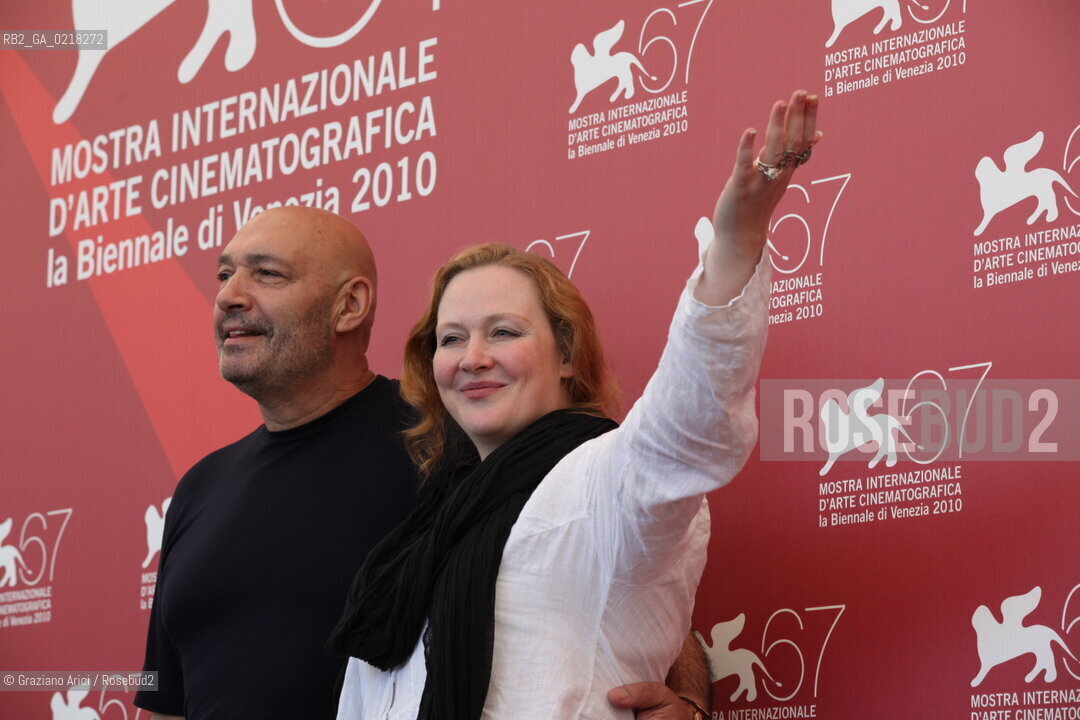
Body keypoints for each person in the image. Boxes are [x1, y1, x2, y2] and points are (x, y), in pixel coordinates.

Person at [329, 90, 821, 719]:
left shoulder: (607, 480)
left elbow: (689, 423)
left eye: (504, 332)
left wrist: (735, 245)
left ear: (566, 355)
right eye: (451, 339)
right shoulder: (422, 531)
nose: (472, 357)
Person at [134, 206, 710, 720]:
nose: (230, 294)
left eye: (266, 274)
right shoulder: (198, 490)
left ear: (350, 306)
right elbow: (168, 700)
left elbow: (613, 569)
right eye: (224, 273)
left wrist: (688, 701)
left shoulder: (446, 437)